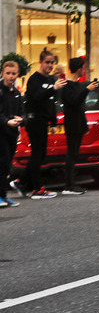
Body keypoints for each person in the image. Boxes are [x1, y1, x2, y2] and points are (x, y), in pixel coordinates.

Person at [10, 50, 66, 199]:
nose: (50, 65)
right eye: (47, 62)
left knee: (41, 154)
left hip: (43, 120)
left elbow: (51, 103)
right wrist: (53, 88)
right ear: (40, 62)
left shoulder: (51, 80)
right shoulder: (34, 79)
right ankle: (37, 188)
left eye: (52, 62)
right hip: (34, 120)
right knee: (37, 153)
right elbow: (38, 96)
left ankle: (21, 182)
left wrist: (53, 122)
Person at [61, 57, 98, 195]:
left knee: (74, 154)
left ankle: (71, 184)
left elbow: (80, 105)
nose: (83, 70)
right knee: (71, 154)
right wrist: (87, 90)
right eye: (82, 68)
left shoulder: (76, 85)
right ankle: (68, 185)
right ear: (78, 69)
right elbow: (74, 102)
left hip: (77, 122)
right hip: (72, 123)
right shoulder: (68, 85)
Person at [0, 61, 25, 207]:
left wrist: (21, 119)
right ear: (2, 74)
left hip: (12, 133)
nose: (11, 76)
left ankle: (4, 196)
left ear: (17, 74)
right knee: (2, 164)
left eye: (13, 73)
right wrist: (6, 122)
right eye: (8, 73)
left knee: (7, 165)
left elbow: (22, 112)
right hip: (1, 132)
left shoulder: (17, 93)